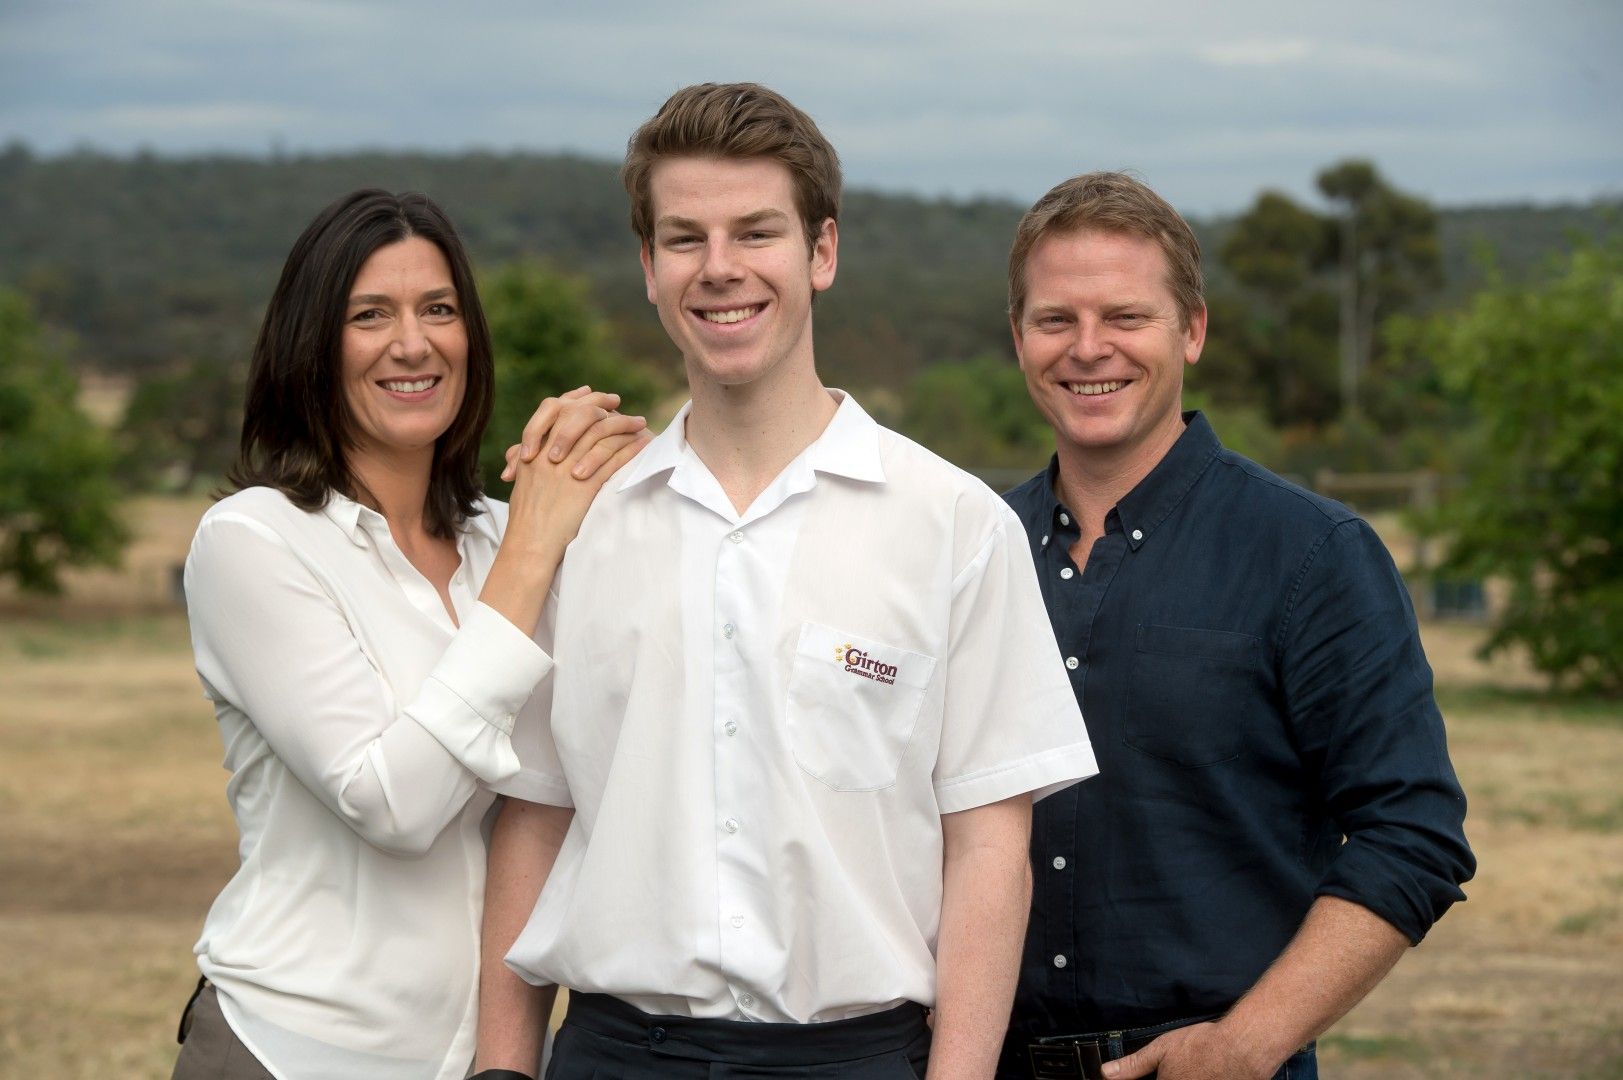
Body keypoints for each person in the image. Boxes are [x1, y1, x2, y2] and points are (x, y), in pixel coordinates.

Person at [471, 83, 1098, 1080]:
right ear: (648, 268)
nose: (720, 268)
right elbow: (536, 812)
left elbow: (988, 847)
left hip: (858, 1057)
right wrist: (502, 1069)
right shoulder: (579, 527)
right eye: (684, 239)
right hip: (614, 1052)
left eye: (756, 232)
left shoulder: (953, 524)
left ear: (822, 252)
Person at [995, 172, 1476, 1080]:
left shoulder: (1311, 553)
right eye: (1055, 319)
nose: (1088, 348)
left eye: (1125, 317)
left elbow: (1411, 831)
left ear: (1192, 329)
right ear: (1018, 336)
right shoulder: (969, 550)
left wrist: (1246, 1043)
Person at [171, 188, 648, 1080]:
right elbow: (394, 806)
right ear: (312, 344)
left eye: (439, 309)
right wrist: (533, 548)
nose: (413, 343)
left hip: (494, 1057)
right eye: (369, 316)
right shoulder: (254, 541)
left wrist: (629, 474)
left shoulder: (504, 538)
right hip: (292, 1052)